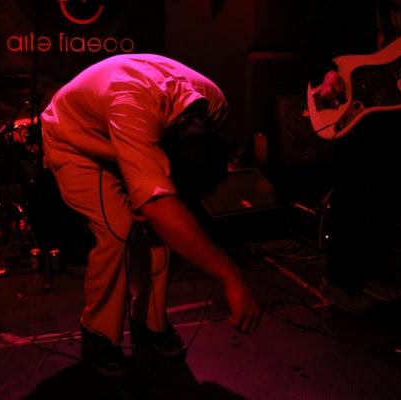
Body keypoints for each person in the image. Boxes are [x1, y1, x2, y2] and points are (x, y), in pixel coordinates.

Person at [40, 54, 262, 376]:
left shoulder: (213, 104)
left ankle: (149, 323)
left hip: (131, 137)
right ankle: (98, 335)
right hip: (78, 142)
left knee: (161, 234)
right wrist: (232, 278)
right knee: (117, 230)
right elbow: (160, 205)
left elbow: (173, 184)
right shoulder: (132, 108)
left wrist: (155, 191)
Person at [301, 0, 401, 314]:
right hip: (358, 95)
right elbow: (313, 34)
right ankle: (339, 278)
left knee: (397, 192)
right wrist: (326, 72)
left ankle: (373, 270)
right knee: (357, 191)